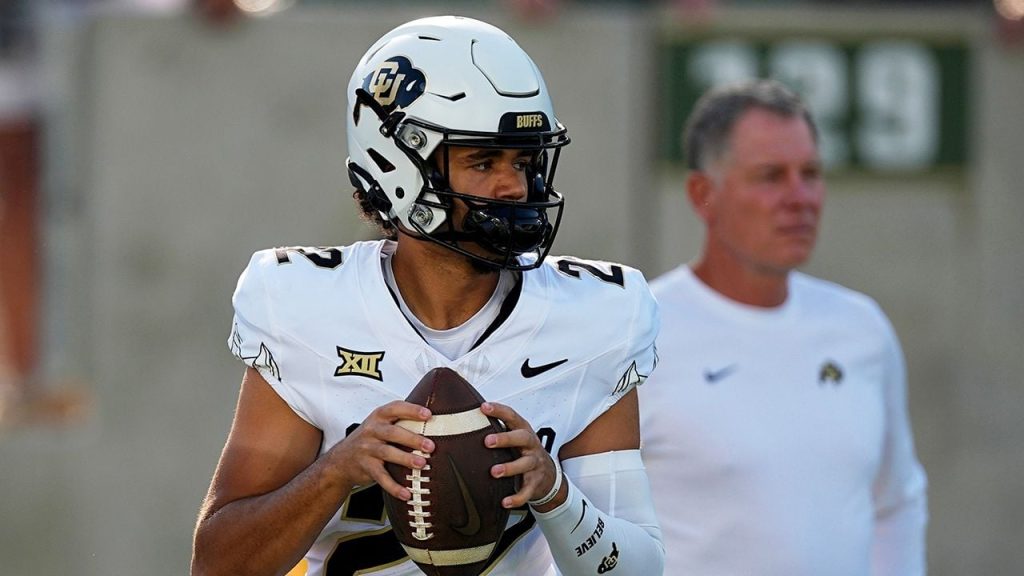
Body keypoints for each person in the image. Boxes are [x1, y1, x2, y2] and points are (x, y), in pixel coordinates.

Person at [191, 15, 664, 576]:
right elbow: (217, 565)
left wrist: (555, 494)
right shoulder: (304, 308)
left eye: (523, 161)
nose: (514, 186)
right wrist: (336, 471)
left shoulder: (596, 318)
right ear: (397, 167)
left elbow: (639, 569)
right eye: (483, 161)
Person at [639, 79, 928, 575]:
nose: (801, 197)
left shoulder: (861, 329)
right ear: (703, 195)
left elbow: (896, 502)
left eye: (810, 173)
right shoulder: (638, 333)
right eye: (771, 176)